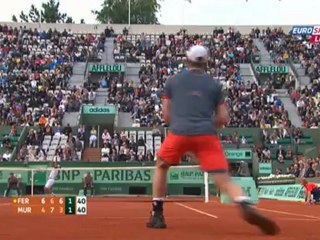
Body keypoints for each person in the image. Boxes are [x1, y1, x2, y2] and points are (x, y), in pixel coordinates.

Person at [146, 45, 280, 235]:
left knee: (161, 165)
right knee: (223, 179)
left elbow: (166, 116)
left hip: (179, 131)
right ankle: (242, 202)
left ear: (187, 60)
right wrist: (205, 128)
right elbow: (223, 117)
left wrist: (183, 128)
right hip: (206, 134)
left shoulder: (173, 81)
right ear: (206, 62)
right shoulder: (214, 85)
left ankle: (157, 212)